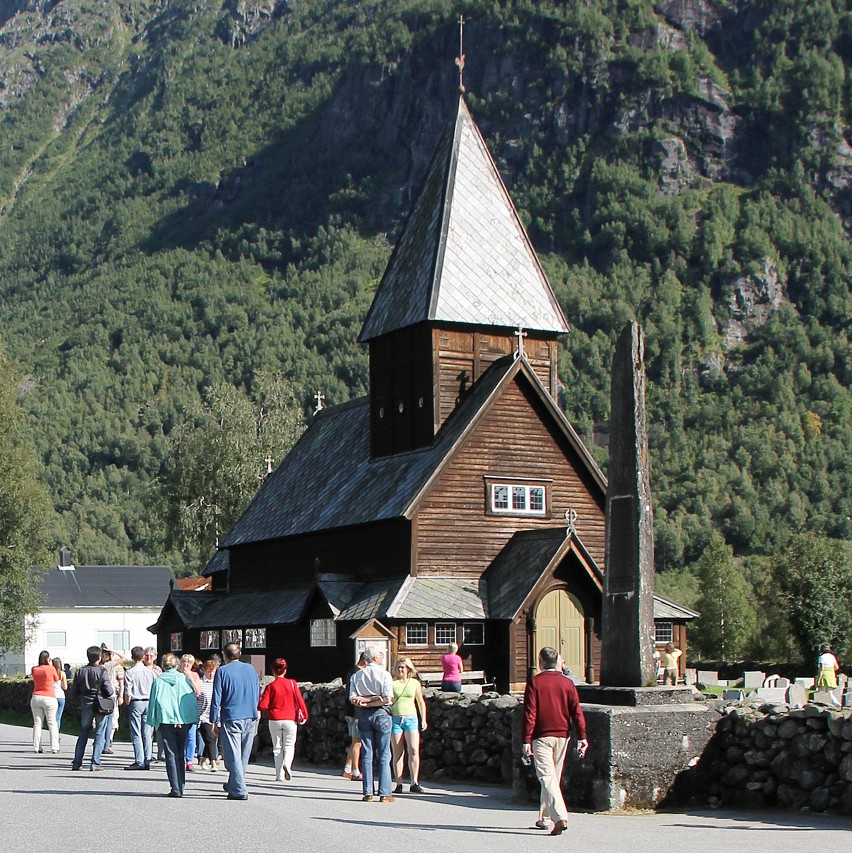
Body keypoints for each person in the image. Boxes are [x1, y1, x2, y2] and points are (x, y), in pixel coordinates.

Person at [522, 646, 588, 836]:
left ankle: (559, 817)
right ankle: (544, 818)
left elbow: (530, 714)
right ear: (557, 662)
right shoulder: (567, 683)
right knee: (552, 778)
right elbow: (577, 712)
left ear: (540, 662)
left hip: (541, 735)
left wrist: (526, 739)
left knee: (546, 777)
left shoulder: (534, 683)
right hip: (562, 735)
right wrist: (582, 736)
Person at [209, 643, 260, 800]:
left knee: (233, 755)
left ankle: (239, 789)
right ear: (240, 654)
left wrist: (213, 720)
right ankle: (234, 783)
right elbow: (257, 691)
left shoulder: (222, 671)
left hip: (232, 715)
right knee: (244, 754)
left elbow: (216, 697)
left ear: (224, 655)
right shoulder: (251, 669)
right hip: (250, 715)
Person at [147, 653, 199, 798]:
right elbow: (191, 701)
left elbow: (153, 702)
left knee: (170, 753)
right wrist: (193, 718)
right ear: (176, 665)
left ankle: (175, 787)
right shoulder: (184, 679)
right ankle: (181, 785)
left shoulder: (158, 681)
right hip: (183, 720)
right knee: (180, 753)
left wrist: (152, 720)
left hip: (166, 720)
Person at [349, 646, 394, 803]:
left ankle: (368, 792)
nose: (382, 658)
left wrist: (365, 701)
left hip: (364, 715)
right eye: (380, 655)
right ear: (375, 658)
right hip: (382, 713)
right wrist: (375, 698)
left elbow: (353, 699)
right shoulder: (384, 675)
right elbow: (387, 698)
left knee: (367, 754)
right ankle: (385, 793)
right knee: (384, 754)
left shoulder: (356, 676)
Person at [258, 657, 308, 782]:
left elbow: (262, 706)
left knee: (277, 747)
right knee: (290, 745)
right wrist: (305, 715)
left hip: (274, 719)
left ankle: (279, 774)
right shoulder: (292, 683)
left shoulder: (270, 686)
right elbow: (300, 701)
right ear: (285, 671)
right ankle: (287, 764)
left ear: (273, 671)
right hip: (290, 719)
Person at [70, 645, 115, 771]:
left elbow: (73, 692)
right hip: (100, 704)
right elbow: (110, 691)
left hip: (86, 703)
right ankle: (95, 762)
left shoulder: (80, 671)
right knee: (100, 733)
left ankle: (77, 762)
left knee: (84, 732)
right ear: (99, 658)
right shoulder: (102, 671)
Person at [391, 657, 427, 794]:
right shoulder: (392, 683)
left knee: (413, 749)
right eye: (399, 667)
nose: (401, 669)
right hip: (395, 718)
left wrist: (423, 719)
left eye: (403, 667)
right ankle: (399, 783)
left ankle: (414, 782)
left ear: (408, 669)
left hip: (411, 718)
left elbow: (420, 702)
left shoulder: (414, 683)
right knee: (398, 752)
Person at [123, 645, 157, 770]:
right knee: (147, 732)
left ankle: (139, 760)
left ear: (132, 657)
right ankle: (148, 758)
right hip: (148, 701)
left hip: (136, 701)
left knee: (136, 732)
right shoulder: (151, 672)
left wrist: (127, 702)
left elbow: (128, 691)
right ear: (143, 657)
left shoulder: (130, 672)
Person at [342, 652, 366, 781]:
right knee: (357, 742)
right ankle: (355, 770)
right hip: (355, 710)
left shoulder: (351, 671)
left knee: (354, 741)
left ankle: (347, 768)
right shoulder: (357, 673)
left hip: (349, 709)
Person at [31, 650, 60, 754]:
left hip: (36, 696)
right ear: (48, 659)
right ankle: (54, 747)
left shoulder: (34, 669)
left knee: (37, 723)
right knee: (52, 723)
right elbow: (57, 678)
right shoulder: (51, 669)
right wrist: (51, 665)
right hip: (49, 697)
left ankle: (36, 747)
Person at [99, 646, 125, 754]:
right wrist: (113, 650)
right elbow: (123, 658)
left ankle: (99, 742)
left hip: (100, 694)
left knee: (101, 720)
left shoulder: (99, 666)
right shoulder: (109, 665)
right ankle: (106, 744)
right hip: (111, 694)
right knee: (109, 720)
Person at [178, 653, 202, 771]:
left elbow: (198, 692)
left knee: (191, 736)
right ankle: (179, 758)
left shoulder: (195, 675)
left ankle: (189, 760)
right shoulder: (176, 675)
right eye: (184, 662)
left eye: (189, 663)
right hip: (178, 709)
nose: (186, 664)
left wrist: (190, 678)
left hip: (191, 708)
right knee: (179, 735)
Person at [197, 657, 220, 771]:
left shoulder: (219, 683)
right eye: (209, 671)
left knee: (212, 739)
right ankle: (213, 763)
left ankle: (203, 759)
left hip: (217, 716)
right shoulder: (200, 683)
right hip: (203, 716)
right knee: (210, 738)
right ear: (204, 671)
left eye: (213, 671)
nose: (211, 674)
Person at [52, 657, 68, 734]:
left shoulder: (51, 673)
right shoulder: (62, 673)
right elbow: (65, 687)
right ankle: (56, 734)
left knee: (52, 718)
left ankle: (52, 733)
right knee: (58, 718)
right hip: (61, 696)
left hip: (52, 696)